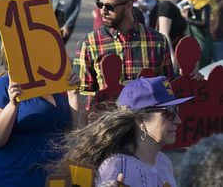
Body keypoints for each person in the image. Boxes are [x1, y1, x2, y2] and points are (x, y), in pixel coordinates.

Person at [56, 76, 193, 187]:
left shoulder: (164, 162)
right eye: (169, 113)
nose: (178, 120)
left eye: (176, 110)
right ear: (140, 120)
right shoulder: (116, 166)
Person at [74, 0, 175, 97]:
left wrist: (193, 78)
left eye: (110, 6)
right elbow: (82, 95)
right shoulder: (88, 43)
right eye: (99, 4)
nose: (103, 11)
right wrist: (109, 95)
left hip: (146, 115)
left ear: (129, 5)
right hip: (108, 115)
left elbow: (169, 89)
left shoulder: (158, 41)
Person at [0, 69, 84, 186]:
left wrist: (74, 96)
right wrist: (12, 105)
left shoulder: (58, 82)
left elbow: (80, 133)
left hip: (54, 179)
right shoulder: (5, 84)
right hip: (13, 179)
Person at [156, 0, 186, 66]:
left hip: (179, 53)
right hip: (171, 56)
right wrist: (171, 56)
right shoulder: (166, 6)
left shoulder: (175, 6)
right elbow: (164, 33)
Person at [183, 0, 215, 68]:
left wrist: (189, 20)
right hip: (192, 40)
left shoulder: (205, 5)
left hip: (203, 41)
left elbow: (205, 23)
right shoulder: (190, 4)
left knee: (202, 66)